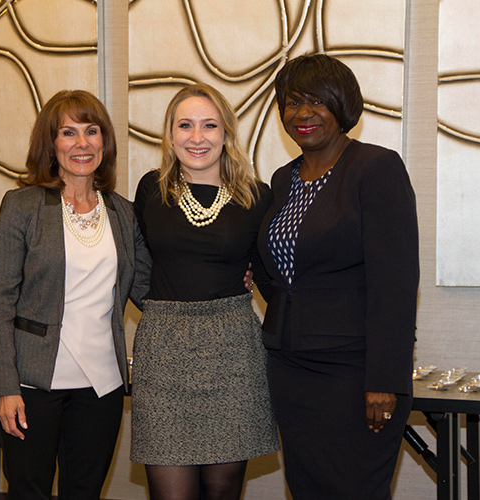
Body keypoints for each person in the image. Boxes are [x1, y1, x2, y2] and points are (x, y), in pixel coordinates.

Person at [255, 54, 419, 499]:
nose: (303, 113)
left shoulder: (376, 168)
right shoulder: (282, 180)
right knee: (306, 488)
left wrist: (385, 379)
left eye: (317, 102)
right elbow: (282, 274)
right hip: (290, 367)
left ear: (342, 106)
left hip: (355, 371)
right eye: (292, 103)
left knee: (356, 489)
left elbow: (396, 285)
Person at [0, 90, 151, 500]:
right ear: (51, 144)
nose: (82, 144)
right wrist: (6, 387)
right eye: (68, 133)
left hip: (103, 384)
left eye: (92, 131)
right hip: (33, 383)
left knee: (85, 491)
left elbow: (151, 290)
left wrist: (226, 273)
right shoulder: (22, 206)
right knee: (29, 490)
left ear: (105, 141)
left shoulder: (123, 212)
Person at [130, 83, 279, 500]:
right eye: (185, 126)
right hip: (163, 352)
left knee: (222, 491)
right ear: (170, 134)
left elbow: (270, 276)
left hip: (233, 350)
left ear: (227, 134)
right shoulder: (150, 190)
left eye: (209, 126)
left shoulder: (256, 195)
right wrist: (161, 309)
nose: (197, 138)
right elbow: (136, 264)